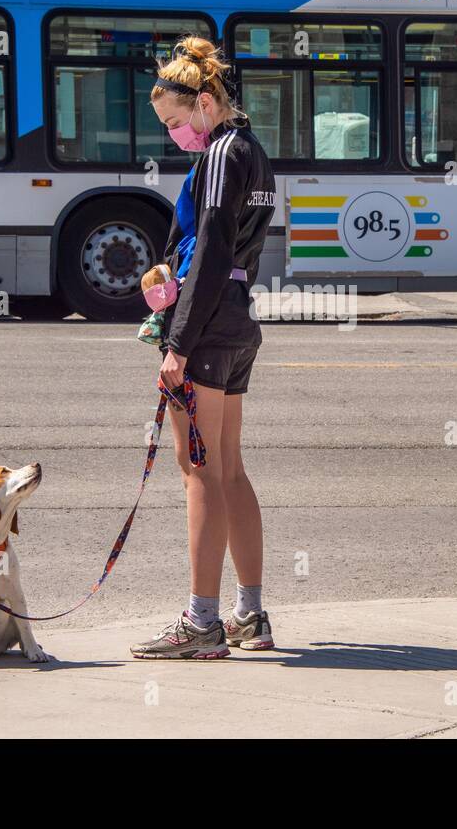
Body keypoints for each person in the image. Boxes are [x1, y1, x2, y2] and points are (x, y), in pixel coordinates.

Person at [131, 36, 277, 658]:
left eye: (174, 120)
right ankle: (249, 616)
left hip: (209, 327)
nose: (173, 135)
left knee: (199, 474)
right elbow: (226, 252)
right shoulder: (253, 152)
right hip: (235, 321)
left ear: (207, 101)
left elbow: (213, 249)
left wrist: (178, 345)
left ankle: (202, 622)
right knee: (229, 470)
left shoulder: (220, 154)